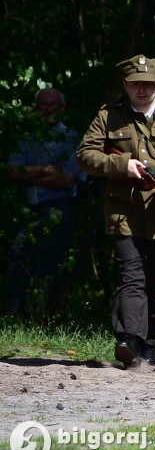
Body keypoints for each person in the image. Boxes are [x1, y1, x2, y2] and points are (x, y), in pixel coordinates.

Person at [77, 55, 155, 369]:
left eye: (148, 84)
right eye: (135, 84)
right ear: (126, 86)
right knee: (131, 276)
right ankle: (129, 341)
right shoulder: (109, 117)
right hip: (124, 210)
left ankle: (150, 346)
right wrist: (121, 164)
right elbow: (85, 156)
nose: (142, 90)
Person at [6, 88, 87, 316]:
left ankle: (38, 316)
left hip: (60, 209)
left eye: (53, 104)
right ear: (36, 108)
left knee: (50, 264)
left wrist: (30, 177)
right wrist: (44, 170)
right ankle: (13, 314)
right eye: (43, 105)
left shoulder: (72, 139)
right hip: (30, 210)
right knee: (18, 258)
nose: (48, 109)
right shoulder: (26, 138)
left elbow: (68, 180)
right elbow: (12, 171)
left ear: (62, 107)